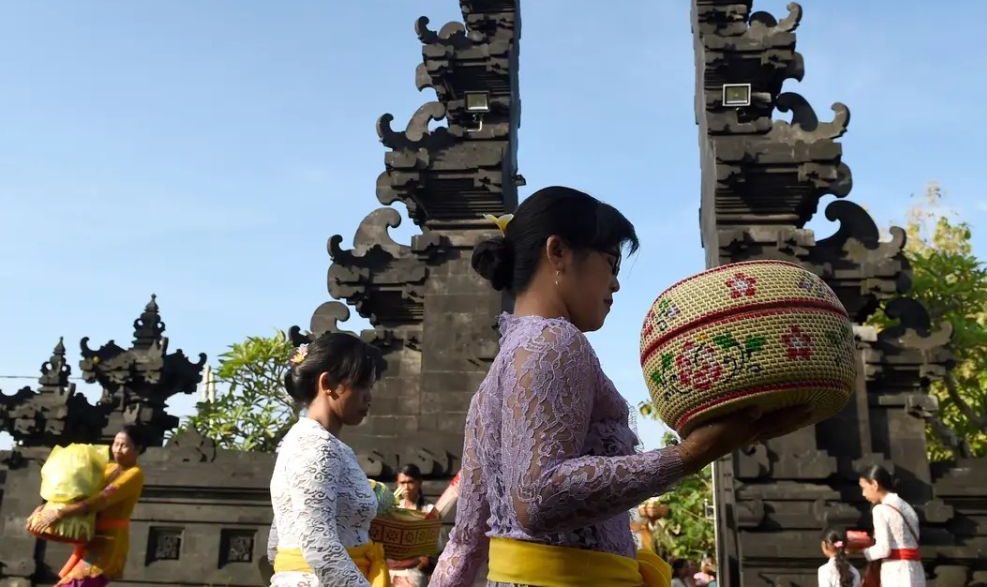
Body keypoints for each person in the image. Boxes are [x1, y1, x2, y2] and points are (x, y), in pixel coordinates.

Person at [428, 186, 811, 587]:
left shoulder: (493, 380)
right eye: (610, 264)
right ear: (557, 252)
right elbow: (538, 497)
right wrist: (693, 453)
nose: (615, 285)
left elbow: (465, 542)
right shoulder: (554, 342)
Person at [270, 332, 390, 587]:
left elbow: (275, 542)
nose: (368, 396)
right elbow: (318, 543)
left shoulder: (314, 441)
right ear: (327, 384)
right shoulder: (316, 445)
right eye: (361, 385)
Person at [35, 426, 147, 587]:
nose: (118, 449)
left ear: (138, 449)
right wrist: (48, 506)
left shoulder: (135, 474)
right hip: (91, 536)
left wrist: (60, 513)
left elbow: (101, 499)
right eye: (116, 444)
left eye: (124, 445)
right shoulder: (108, 468)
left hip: (109, 542)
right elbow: (77, 491)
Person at [855, 466, 924, 587]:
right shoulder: (906, 506)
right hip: (915, 569)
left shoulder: (880, 510)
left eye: (864, 488)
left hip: (896, 572)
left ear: (875, 484)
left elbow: (883, 549)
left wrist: (860, 552)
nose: (863, 493)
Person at [389, 464, 437, 587]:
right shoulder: (390, 509)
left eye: (410, 482)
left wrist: (421, 564)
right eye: (402, 483)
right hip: (390, 570)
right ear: (397, 484)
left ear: (419, 483)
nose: (406, 487)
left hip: (415, 572)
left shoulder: (429, 510)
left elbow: (435, 547)